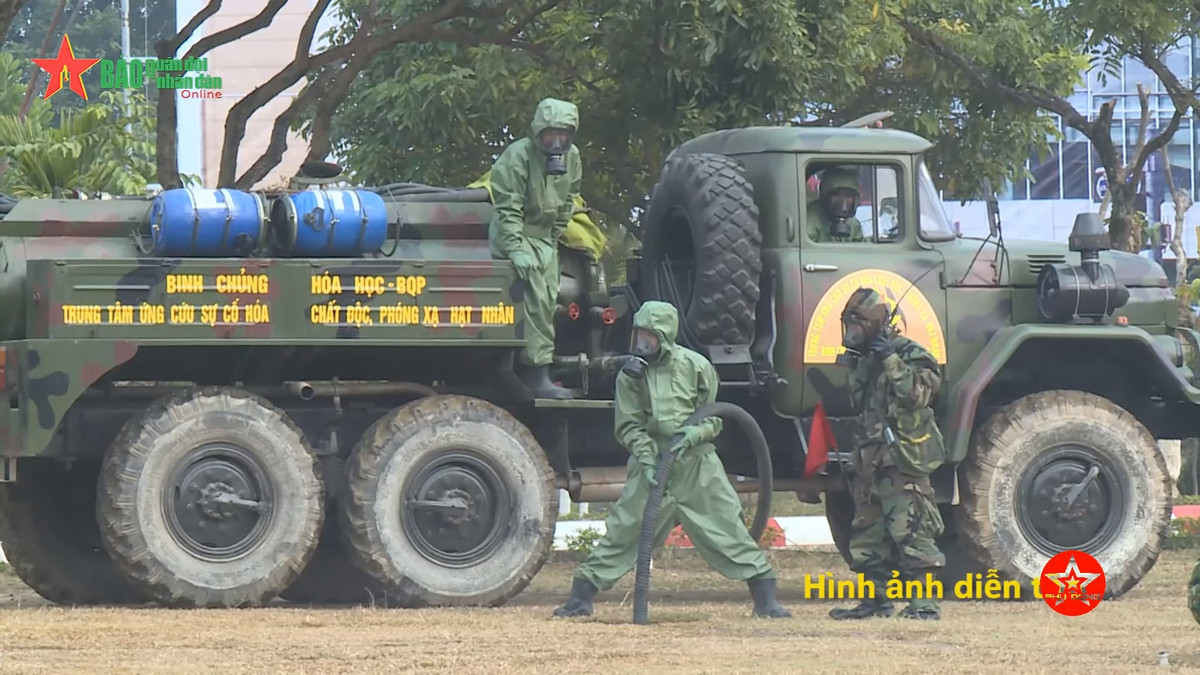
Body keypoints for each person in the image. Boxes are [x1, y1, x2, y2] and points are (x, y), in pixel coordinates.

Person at [551, 300, 791, 620]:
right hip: (652, 468)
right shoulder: (631, 376)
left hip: (698, 467)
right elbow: (629, 426)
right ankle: (581, 598)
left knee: (727, 529)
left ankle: (766, 600)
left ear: (665, 335)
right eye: (639, 334)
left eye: (649, 336)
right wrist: (648, 457)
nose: (642, 342)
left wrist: (698, 432)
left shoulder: (696, 366)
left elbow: (714, 416)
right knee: (624, 530)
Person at [828, 287, 947, 621]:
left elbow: (917, 395)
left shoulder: (912, 354)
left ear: (875, 323)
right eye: (849, 324)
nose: (852, 332)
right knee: (867, 538)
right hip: (870, 462)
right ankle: (875, 602)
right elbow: (859, 404)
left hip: (902, 460)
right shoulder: (864, 360)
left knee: (912, 531)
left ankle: (924, 605)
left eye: (858, 324)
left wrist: (890, 359)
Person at [488, 97, 582, 399]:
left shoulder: (572, 158)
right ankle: (535, 376)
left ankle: (540, 371)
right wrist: (515, 248)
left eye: (563, 135)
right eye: (550, 134)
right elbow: (508, 207)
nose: (557, 142)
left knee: (548, 303)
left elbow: (569, 199)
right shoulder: (518, 156)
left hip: (544, 241)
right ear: (538, 132)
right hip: (516, 236)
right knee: (535, 303)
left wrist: (552, 238)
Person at [807, 166, 865, 243]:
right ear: (825, 196)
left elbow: (860, 246)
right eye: (837, 195)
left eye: (848, 196)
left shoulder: (853, 224)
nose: (843, 202)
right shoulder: (811, 218)